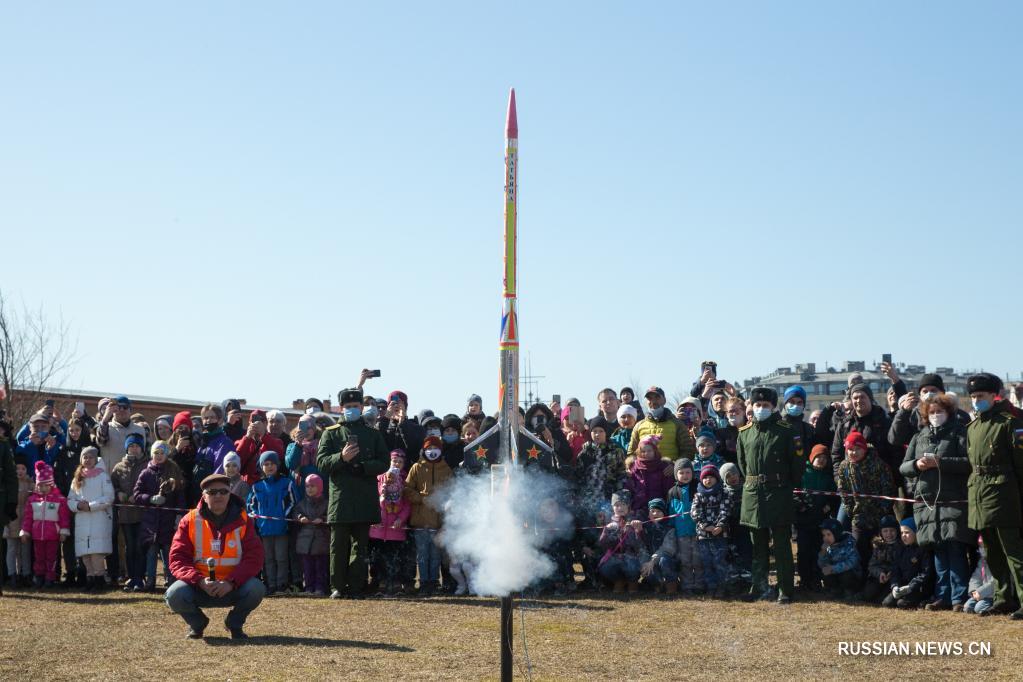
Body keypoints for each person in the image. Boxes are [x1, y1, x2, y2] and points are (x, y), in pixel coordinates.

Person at [165, 473, 266, 639]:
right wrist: (199, 580)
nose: (218, 495)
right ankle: (197, 624)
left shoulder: (245, 520)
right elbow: (177, 559)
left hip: (234, 586)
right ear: (204, 497)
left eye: (223, 491)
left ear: (230, 493)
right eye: (212, 492)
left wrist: (230, 582)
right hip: (198, 587)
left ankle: (234, 624)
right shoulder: (189, 520)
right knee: (174, 595)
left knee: (256, 588)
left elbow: (254, 557)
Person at [899, 394, 974, 611]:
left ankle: (959, 597)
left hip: (954, 501)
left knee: (956, 549)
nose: (935, 415)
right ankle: (943, 596)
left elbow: (968, 462)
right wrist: (917, 464)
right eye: (931, 412)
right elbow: (903, 467)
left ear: (948, 412)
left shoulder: (960, 432)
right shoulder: (919, 436)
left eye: (939, 411)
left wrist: (940, 462)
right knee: (939, 551)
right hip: (927, 503)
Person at [317, 388, 390, 600]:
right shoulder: (330, 433)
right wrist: (341, 457)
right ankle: (337, 586)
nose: (351, 410)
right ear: (341, 408)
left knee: (360, 546)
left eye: (355, 407)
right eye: (347, 407)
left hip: (364, 498)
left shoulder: (373, 434)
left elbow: (384, 462)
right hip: (340, 499)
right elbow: (321, 463)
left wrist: (364, 467)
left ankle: (357, 586)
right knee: (338, 545)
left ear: (361, 407)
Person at [964, 372, 1023, 620]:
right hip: (979, 494)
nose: (977, 400)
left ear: (993, 395)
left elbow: (1020, 464)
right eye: (974, 396)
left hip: (1004, 493)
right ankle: (1002, 598)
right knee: (991, 550)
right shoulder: (973, 427)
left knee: (1014, 551)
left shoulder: (1008, 422)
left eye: (981, 396)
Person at [736, 386, 802, 604]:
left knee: (783, 546)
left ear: (774, 407)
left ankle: (785, 590)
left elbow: (797, 465)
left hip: (779, 493)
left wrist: (783, 485)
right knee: (758, 546)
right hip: (753, 495)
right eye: (757, 405)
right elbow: (743, 465)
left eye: (765, 405)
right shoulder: (745, 433)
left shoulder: (786, 430)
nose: (761, 408)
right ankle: (759, 587)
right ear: (751, 407)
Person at [835, 431, 895, 572]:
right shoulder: (844, 467)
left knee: (879, 549)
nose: (853, 453)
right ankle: (860, 582)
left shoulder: (878, 464)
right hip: (858, 516)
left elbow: (888, 488)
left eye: (857, 449)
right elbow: (843, 490)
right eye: (850, 449)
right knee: (858, 549)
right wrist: (850, 509)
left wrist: (882, 510)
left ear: (864, 448)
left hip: (877, 515)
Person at [404, 435, 453, 595]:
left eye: (436, 448)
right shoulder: (416, 468)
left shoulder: (446, 470)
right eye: (429, 449)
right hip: (420, 521)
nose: (432, 452)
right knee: (422, 555)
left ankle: (434, 582)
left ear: (441, 450)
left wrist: (444, 503)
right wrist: (421, 499)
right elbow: (407, 489)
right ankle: (424, 582)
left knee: (436, 556)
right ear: (423, 450)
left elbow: (452, 492)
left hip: (438, 522)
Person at [133, 441, 185, 591]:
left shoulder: (174, 471)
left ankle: (171, 580)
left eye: (162, 453)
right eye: (156, 453)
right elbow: (137, 494)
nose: (159, 456)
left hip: (168, 520)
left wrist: (179, 515)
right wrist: (149, 499)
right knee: (151, 553)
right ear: (152, 454)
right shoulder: (146, 473)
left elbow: (180, 495)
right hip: (151, 522)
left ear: (166, 454)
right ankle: (150, 581)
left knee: (168, 553)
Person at [247, 451, 297, 596]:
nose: (269, 467)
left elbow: (293, 502)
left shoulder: (286, 483)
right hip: (264, 529)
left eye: (272, 464)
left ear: (278, 465)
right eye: (266, 464)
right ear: (261, 467)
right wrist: (256, 517)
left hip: (281, 528)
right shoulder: (257, 486)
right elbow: (251, 506)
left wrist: (284, 517)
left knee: (281, 557)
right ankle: (270, 584)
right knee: (268, 558)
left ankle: (281, 584)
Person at [67, 446, 114, 592]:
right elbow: (70, 499)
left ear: (96, 459)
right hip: (82, 520)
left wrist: (91, 506)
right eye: (85, 457)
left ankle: (100, 580)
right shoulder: (77, 478)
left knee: (96, 554)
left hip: (98, 519)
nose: (87, 460)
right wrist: (78, 506)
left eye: (90, 457)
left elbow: (108, 497)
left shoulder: (102, 476)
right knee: (85, 555)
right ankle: (90, 579)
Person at [888, 372, 971, 449]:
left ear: (942, 393)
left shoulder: (958, 415)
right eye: (925, 391)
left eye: (933, 390)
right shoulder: (913, 415)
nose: (929, 394)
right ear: (920, 395)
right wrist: (904, 411)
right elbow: (895, 439)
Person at [20, 461, 71, 587]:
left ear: (51, 485)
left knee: (51, 558)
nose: (42, 488)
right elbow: (28, 517)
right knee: (39, 557)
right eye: (40, 485)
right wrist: (25, 531)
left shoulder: (59, 499)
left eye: (45, 485)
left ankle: (50, 578)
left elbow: (64, 517)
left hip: (53, 535)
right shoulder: (32, 500)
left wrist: (64, 530)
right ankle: (39, 577)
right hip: (37, 536)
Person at [794, 445, 837, 592]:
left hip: (820, 521)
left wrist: (829, 506)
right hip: (804, 520)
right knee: (804, 551)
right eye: (819, 457)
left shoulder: (828, 477)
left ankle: (817, 579)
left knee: (819, 551)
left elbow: (834, 496)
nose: (822, 460)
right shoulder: (802, 473)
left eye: (825, 458)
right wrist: (801, 506)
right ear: (812, 458)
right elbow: (794, 493)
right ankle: (805, 579)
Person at [369, 450, 411, 596]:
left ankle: (396, 583)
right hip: (379, 527)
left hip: (395, 528)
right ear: (390, 462)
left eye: (400, 462)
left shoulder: (406, 480)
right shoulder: (379, 478)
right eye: (394, 461)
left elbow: (407, 504)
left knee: (395, 557)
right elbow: (374, 499)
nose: (397, 464)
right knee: (378, 557)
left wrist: (401, 519)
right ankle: (380, 582)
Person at [691, 464, 733, 598]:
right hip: (704, 536)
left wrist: (719, 526)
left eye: (711, 477)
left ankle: (722, 586)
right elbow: (695, 512)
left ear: (717, 478)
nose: (708, 480)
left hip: (721, 534)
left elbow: (725, 510)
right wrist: (705, 525)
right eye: (705, 478)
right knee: (707, 562)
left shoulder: (724, 493)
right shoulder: (698, 495)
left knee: (720, 561)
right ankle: (711, 587)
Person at [627, 386, 696, 461]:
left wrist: (675, 466)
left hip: (670, 472)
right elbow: (631, 453)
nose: (653, 401)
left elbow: (688, 451)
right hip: (645, 472)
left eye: (657, 397)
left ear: (664, 400)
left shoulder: (677, 424)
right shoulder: (639, 426)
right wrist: (637, 466)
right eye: (649, 398)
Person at [597, 490, 645, 594]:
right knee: (605, 567)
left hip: (632, 555)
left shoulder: (635, 519)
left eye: (623, 504)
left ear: (629, 506)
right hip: (614, 555)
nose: (620, 508)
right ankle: (619, 581)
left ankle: (633, 582)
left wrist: (637, 531)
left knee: (632, 566)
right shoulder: (608, 521)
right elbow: (602, 544)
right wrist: (606, 531)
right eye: (617, 505)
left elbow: (639, 545)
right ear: (612, 507)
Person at [667, 458, 702, 595]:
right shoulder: (672, 492)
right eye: (682, 473)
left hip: (697, 530)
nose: (685, 476)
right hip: (681, 532)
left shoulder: (698, 487)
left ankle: (699, 584)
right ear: (676, 475)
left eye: (688, 472)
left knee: (698, 560)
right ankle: (687, 584)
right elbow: (671, 512)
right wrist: (672, 528)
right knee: (685, 560)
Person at [882, 517, 932, 609]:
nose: (904, 535)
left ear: (916, 533)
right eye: (902, 533)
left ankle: (924, 601)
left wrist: (911, 587)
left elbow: (925, 573)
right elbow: (895, 570)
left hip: (918, 588)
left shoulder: (923, 550)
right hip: (902, 587)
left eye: (907, 532)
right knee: (887, 603)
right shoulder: (900, 549)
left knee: (902, 603)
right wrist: (895, 585)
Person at [293, 474, 330, 596]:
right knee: (307, 567)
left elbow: (331, 515)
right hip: (305, 542)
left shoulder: (326, 503)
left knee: (320, 567)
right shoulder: (302, 503)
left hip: (321, 540)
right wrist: (300, 518)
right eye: (307, 486)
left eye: (313, 486)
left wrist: (323, 519)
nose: (309, 489)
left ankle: (320, 588)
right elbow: (295, 513)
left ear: (319, 487)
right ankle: (308, 588)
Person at [625, 435, 674, 521]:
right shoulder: (633, 467)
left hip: (658, 508)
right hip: (639, 508)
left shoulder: (663, 467)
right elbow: (630, 488)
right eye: (643, 451)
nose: (646, 454)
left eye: (649, 451)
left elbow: (668, 489)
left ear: (655, 451)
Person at [95, 396, 147, 473]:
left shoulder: (140, 430)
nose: (122, 410)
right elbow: (100, 441)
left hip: (132, 478)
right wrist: (105, 419)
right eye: (118, 408)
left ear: (130, 410)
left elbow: (144, 456)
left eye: (125, 407)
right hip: (110, 478)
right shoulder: (106, 428)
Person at [235, 410, 285, 486]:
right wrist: (247, 438)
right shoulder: (241, 442)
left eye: (259, 422)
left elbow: (279, 454)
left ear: (265, 424)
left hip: (266, 484)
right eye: (253, 422)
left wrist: (263, 435)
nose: (256, 425)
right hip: (247, 484)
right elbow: (237, 459)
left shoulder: (276, 441)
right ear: (249, 424)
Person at [860, 515, 901, 604]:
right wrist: (880, 573)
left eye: (892, 530)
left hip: (894, 578)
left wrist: (892, 573)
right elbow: (872, 565)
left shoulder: (901, 546)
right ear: (881, 532)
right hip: (878, 577)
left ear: (897, 531)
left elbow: (901, 564)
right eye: (885, 531)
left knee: (882, 600)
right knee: (868, 595)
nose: (889, 534)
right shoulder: (878, 546)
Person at [639, 498, 677, 593]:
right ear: (648, 514)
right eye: (652, 511)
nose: (655, 514)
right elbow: (641, 546)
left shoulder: (670, 528)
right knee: (642, 561)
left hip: (668, 560)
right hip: (651, 561)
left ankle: (671, 586)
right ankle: (657, 584)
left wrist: (652, 561)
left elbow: (667, 549)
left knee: (664, 560)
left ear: (664, 513)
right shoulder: (645, 528)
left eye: (659, 511)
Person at [817, 517, 861, 600]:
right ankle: (835, 590)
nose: (826, 538)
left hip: (851, 575)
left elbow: (852, 562)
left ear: (836, 534)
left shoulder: (849, 543)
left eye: (829, 534)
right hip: (836, 574)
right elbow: (821, 564)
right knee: (825, 571)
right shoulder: (828, 546)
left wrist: (833, 568)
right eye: (824, 535)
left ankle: (849, 591)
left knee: (847, 575)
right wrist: (823, 553)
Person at [4, 457, 32, 586]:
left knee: (25, 551)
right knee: (12, 550)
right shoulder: (8, 484)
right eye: (17, 468)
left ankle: (25, 574)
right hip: (11, 521)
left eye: (23, 468)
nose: (20, 471)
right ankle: (12, 575)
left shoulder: (31, 484)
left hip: (25, 522)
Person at [964, 541, 995, 615]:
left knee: (978, 608)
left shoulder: (996, 561)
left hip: (991, 594)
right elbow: (976, 576)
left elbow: (994, 581)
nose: (981, 549)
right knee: (967, 607)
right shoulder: (982, 561)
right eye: (980, 547)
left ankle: (994, 606)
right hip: (981, 593)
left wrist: (980, 592)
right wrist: (974, 591)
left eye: (983, 547)